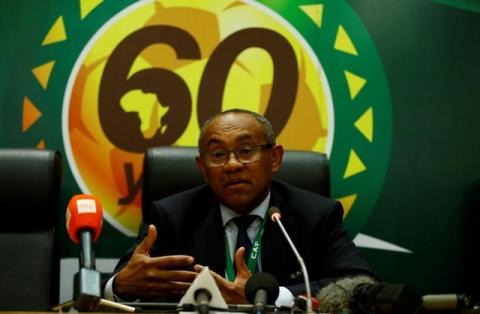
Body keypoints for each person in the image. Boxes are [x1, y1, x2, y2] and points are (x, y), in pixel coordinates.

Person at [104, 108, 376, 305]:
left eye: (246, 151)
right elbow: (129, 278)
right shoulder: (171, 215)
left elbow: (358, 284)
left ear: (275, 159)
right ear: (202, 168)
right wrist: (119, 286)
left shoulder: (316, 214)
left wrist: (271, 296)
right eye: (218, 155)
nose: (232, 164)